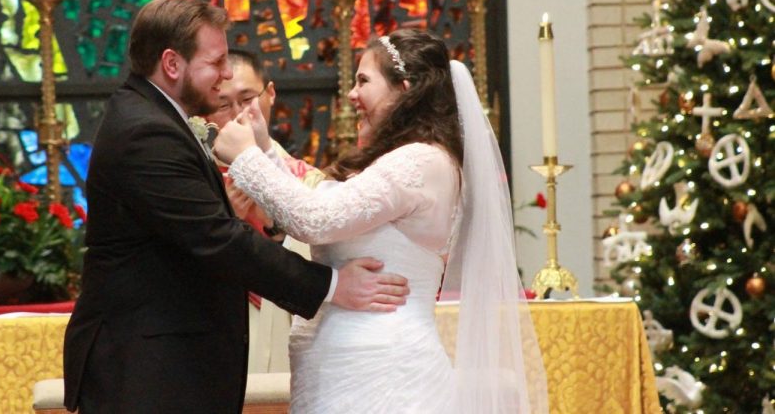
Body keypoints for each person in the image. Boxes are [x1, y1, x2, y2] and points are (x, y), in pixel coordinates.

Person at [62, 0, 410, 414]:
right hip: (147, 370)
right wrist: (334, 286)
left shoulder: (152, 116)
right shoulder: (146, 132)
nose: (226, 75)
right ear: (172, 64)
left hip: (165, 363)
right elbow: (219, 239)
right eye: (217, 61)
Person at [215, 29, 549, 413]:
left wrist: (245, 158)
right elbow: (314, 204)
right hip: (345, 370)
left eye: (363, 81)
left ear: (403, 90)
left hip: (384, 372)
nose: (352, 95)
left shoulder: (421, 161)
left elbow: (315, 220)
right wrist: (263, 150)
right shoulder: (394, 160)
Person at [206, 49, 324, 373]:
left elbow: (326, 260)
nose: (237, 115)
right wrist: (224, 219)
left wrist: (276, 227)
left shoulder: (307, 182)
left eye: (247, 99)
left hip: (290, 327)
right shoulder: (195, 187)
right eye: (222, 104)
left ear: (270, 94)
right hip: (217, 330)